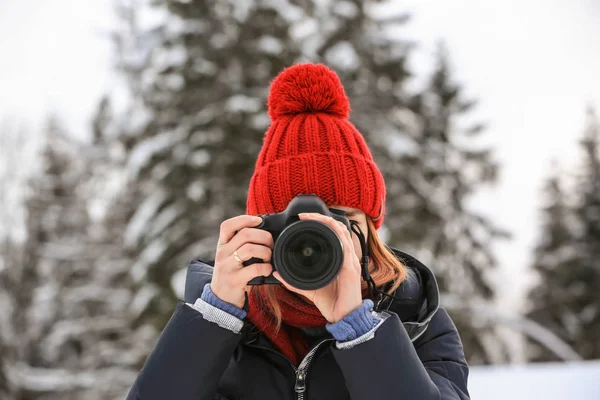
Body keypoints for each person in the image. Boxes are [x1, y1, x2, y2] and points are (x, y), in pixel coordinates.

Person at [126, 63, 470, 400]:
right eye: (296, 221)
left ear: (369, 228)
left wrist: (360, 330)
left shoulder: (418, 319)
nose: (315, 240)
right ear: (263, 228)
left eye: (340, 218)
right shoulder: (227, 325)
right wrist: (215, 316)